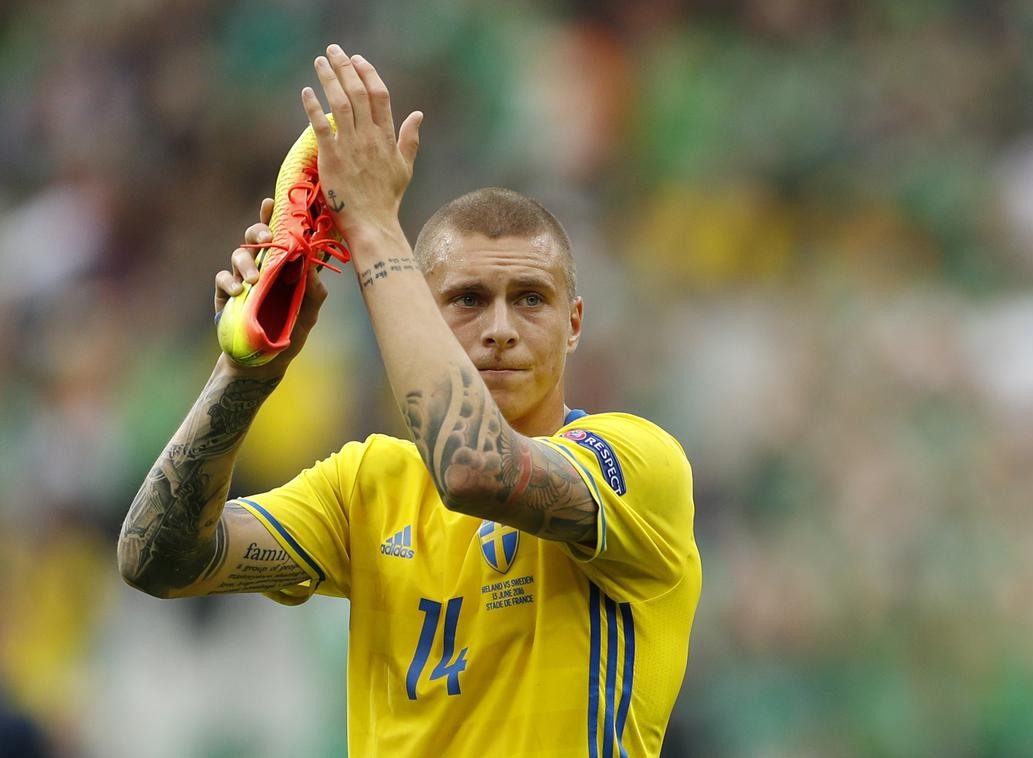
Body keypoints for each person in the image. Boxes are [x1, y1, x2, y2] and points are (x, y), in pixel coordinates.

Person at [117, 44, 701, 757]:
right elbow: (159, 561)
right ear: (416, 312)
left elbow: (474, 472)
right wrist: (247, 369)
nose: (499, 329)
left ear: (573, 324)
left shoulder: (637, 466)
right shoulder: (366, 486)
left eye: (530, 300)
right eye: (465, 300)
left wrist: (371, 224)